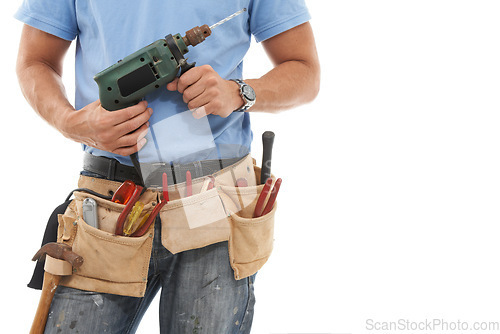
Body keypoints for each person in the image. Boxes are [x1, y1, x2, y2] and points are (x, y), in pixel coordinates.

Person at [15, 0, 320, 333]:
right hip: (108, 207)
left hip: (216, 207)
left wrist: (238, 93)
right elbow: (35, 60)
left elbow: (304, 71)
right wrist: (70, 122)